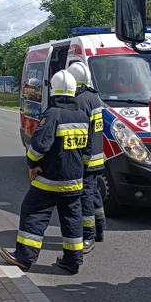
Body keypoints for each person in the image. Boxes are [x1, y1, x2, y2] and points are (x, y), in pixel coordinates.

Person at [0, 70, 89, 274]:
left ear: (53, 90)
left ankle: (24, 257)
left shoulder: (53, 113)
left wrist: (32, 164)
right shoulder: (82, 115)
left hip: (50, 179)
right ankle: (72, 261)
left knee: (33, 212)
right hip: (75, 180)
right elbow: (87, 149)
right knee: (72, 219)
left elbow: (39, 146)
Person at [67, 62, 106, 252]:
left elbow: (83, 134)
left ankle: (88, 235)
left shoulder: (80, 101)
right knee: (94, 193)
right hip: (98, 157)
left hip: (87, 159)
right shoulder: (94, 97)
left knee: (85, 196)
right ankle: (100, 229)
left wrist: (81, 159)